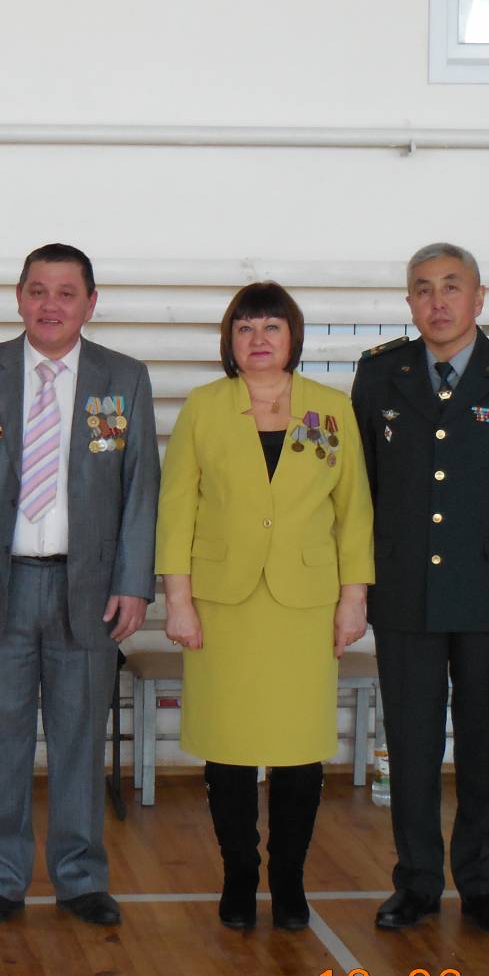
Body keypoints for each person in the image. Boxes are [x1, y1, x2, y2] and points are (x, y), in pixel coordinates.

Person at [0, 243, 158, 929]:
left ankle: (80, 877)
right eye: (37, 290)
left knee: (80, 739)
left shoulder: (124, 377)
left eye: (66, 292)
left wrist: (133, 583)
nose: (50, 304)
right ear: (19, 297)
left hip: (88, 588)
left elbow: (140, 487)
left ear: (91, 302)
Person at [351, 242, 489, 935]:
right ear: (408, 302)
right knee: (412, 746)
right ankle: (416, 883)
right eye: (423, 288)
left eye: (451, 286)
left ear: (479, 298)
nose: (437, 301)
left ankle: (481, 886)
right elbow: (362, 488)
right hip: (405, 590)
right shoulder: (379, 374)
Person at [156, 282, 374, 931]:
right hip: (222, 605)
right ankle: (239, 874)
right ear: (230, 340)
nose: (258, 339)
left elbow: (353, 510)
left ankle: (288, 879)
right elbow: (176, 509)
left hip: (305, 606)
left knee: (299, 751)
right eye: (245, 328)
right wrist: (178, 600)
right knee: (228, 749)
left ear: (293, 337)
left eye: (271, 327)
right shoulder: (204, 408)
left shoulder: (331, 408)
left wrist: (354, 597)